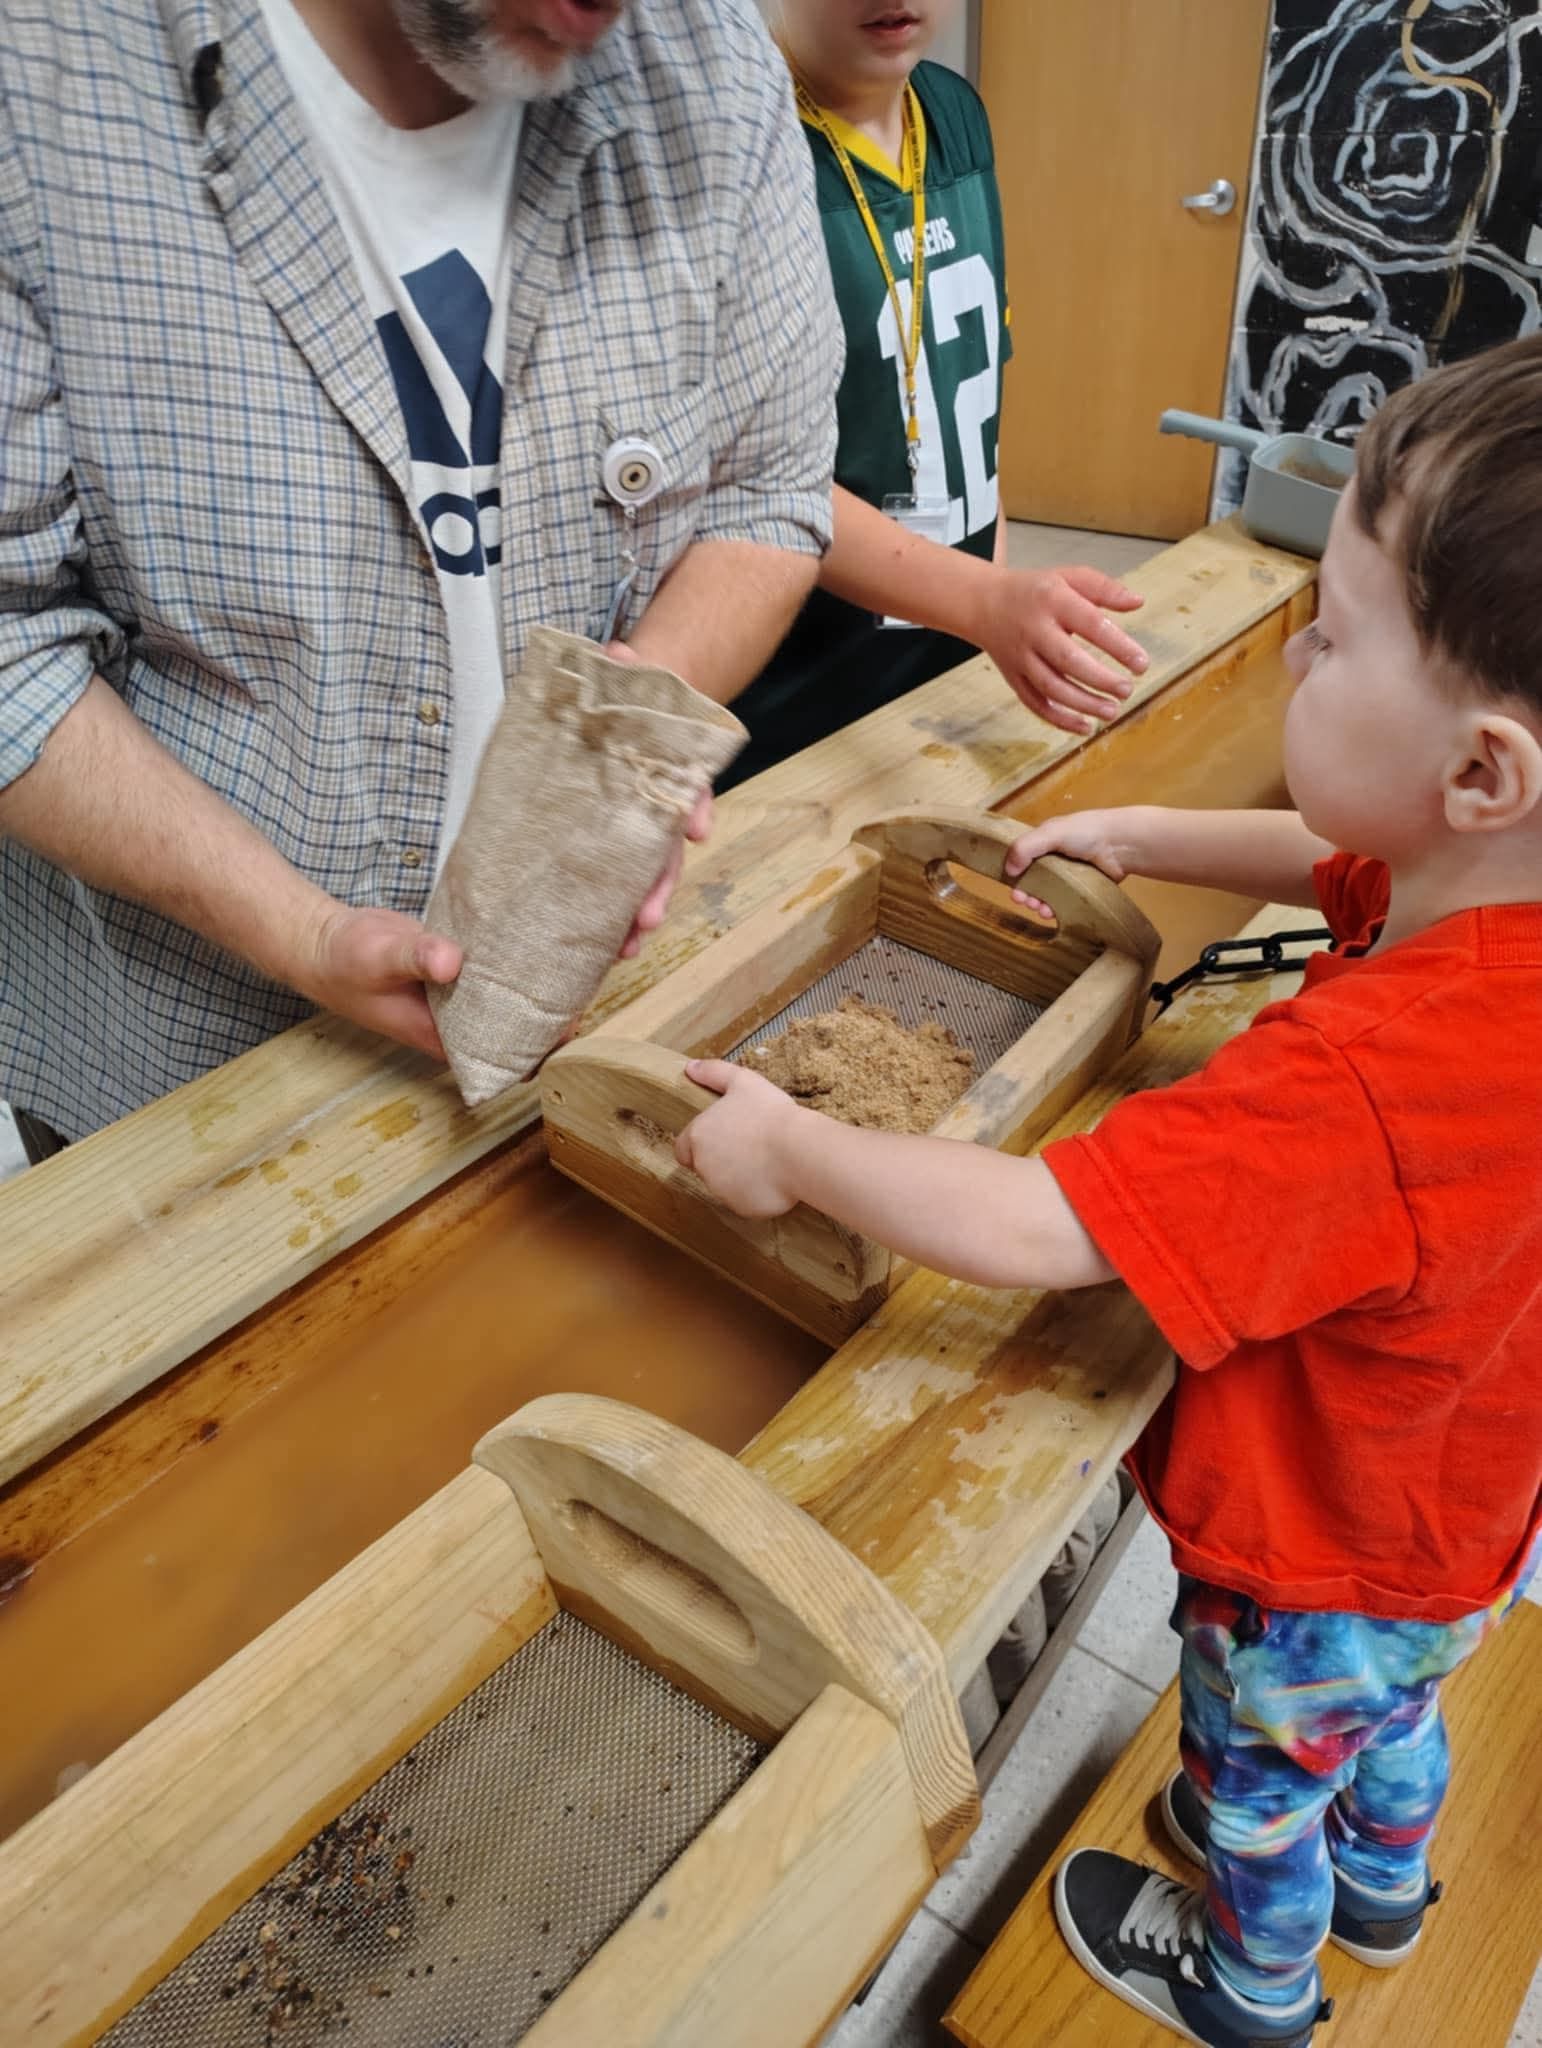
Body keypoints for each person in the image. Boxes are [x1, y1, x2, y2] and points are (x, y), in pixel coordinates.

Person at [676, 334, 1542, 2046]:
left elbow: (1040, 1228)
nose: (1295, 644)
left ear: (1481, 770)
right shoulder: (1490, 893)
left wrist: (787, 1145)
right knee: (1389, 1719)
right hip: (1461, 1518)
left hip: (1318, 1546)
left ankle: (1254, 1968)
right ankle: (1385, 1871)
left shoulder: (1371, 1081)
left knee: (1255, 1768)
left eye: (1335, 635)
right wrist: (1143, 830)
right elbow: (1340, 850)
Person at [0, 0, 842, 1145]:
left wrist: (607, 758)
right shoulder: (45, 76)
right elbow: (13, 642)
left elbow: (767, 487)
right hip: (171, 1059)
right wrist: (300, 931)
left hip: (564, 1007)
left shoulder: (709, 57)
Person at [721, 0, 1151, 790]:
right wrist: (986, 599)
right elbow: (756, 479)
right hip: (798, 693)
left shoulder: (952, 109)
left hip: (952, 646)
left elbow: (974, 386)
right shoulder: (739, 147)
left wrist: (992, 593)